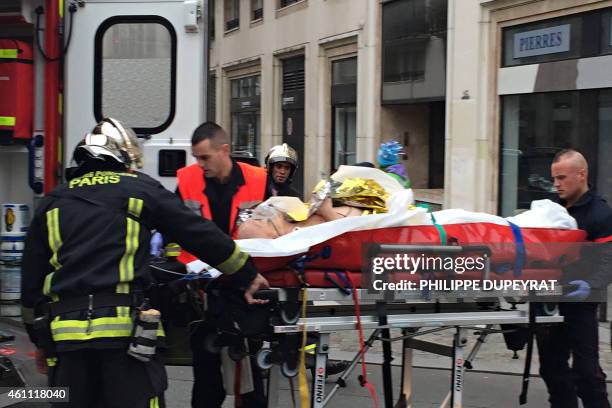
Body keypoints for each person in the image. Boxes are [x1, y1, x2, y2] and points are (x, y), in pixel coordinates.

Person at [20, 118, 268, 408]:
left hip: (66, 342)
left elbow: (30, 285)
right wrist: (247, 273)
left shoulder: (53, 203)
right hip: (126, 343)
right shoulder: (139, 189)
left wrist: (39, 341)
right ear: (123, 159)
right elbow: (199, 234)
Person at [175, 122, 269, 408]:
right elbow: (173, 225)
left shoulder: (259, 180)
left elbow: (283, 224)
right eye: (196, 158)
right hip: (204, 292)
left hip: (244, 289)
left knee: (249, 380)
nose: (199, 164)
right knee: (206, 381)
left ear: (224, 150)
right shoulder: (188, 180)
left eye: (204, 157)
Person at [536, 148, 612, 408]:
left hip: (581, 304)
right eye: (554, 178)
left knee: (587, 374)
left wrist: (591, 284)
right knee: (552, 370)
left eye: (562, 178)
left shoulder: (600, 214)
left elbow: (608, 259)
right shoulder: (549, 210)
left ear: (581, 175)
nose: (556, 184)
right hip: (548, 299)